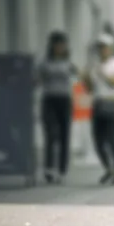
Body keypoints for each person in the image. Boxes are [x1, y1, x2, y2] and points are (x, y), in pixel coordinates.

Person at [84, 34, 114, 185]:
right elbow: (89, 88)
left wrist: (101, 72)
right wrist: (86, 75)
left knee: (112, 139)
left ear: (110, 48)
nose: (102, 51)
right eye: (100, 48)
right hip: (98, 103)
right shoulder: (95, 65)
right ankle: (109, 169)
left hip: (112, 103)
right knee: (98, 140)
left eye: (105, 47)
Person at [37, 31, 79, 183]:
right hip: (49, 100)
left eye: (62, 44)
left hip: (65, 100)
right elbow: (36, 79)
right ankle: (49, 168)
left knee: (64, 135)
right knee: (51, 133)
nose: (59, 47)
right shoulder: (44, 63)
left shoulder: (69, 62)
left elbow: (80, 76)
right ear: (52, 46)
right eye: (57, 44)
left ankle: (62, 169)